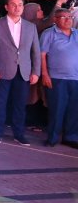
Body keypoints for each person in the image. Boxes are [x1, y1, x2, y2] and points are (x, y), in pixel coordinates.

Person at [0, 0, 40, 144]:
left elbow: (35, 51)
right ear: (6, 7)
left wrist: (36, 71)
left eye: (20, 5)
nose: (17, 8)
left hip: (24, 71)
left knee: (20, 105)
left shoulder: (30, 27)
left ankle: (19, 134)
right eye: (13, 5)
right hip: (2, 70)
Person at [39, 8, 78, 147]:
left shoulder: (76, 34)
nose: (68, 20)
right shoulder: (49, 33)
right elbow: (42, 55)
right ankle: (53, 138)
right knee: (57, 109)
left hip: (76, 78)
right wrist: (45, 74)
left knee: (74, 110)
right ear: (55, 19)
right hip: (57, 78)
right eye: (63, 17)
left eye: (70, 17)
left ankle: (71, 137)